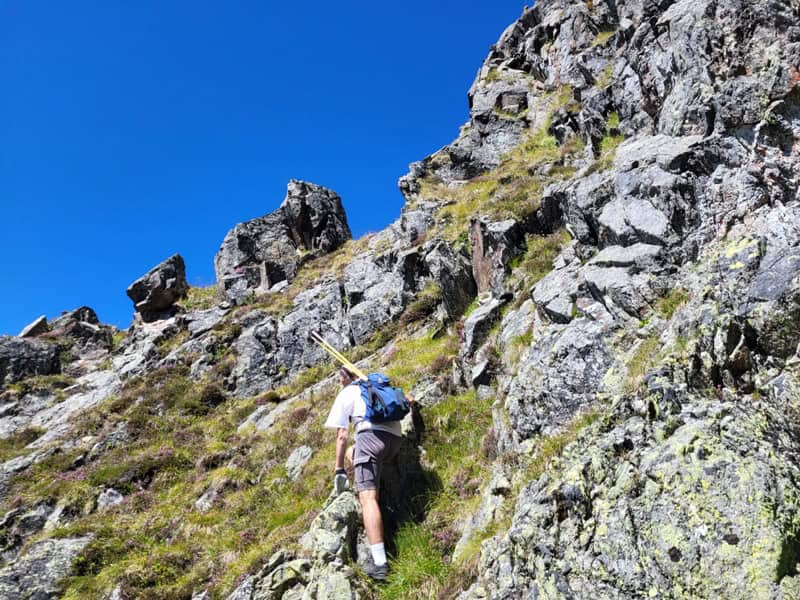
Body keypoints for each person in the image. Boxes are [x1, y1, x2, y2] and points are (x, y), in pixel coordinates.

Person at [324, 366, 408, 581]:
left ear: (344, 378)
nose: (338, 383)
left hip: (370, 438)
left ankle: (380, 564)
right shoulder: (374, 385)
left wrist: (339, 469)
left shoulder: (347, 392)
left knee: (367, 498)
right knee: (356, 452)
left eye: (338, 380)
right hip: (395, 440)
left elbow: (342, 436)